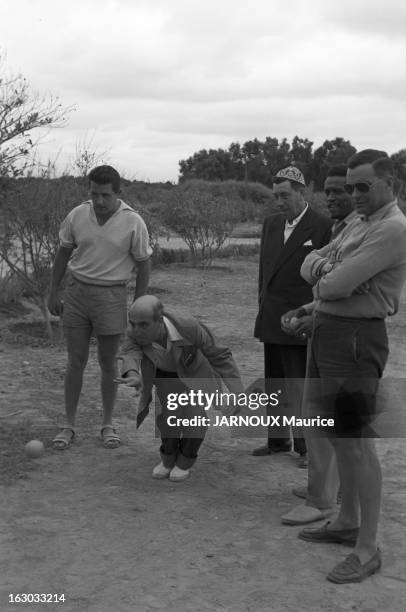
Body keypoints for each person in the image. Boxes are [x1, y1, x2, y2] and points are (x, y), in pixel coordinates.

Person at [298, 150, 406, 583]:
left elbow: (332, 281)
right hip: (330, 331)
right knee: (336, 433)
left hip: (358, 340)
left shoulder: (393, 228)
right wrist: (330, 278)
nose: (355, 195)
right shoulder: (359, 224)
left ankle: (367, 548)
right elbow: (318, 267)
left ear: (390, 186)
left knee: (357, 442)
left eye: (364, 186)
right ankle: (346, 520)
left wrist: (331, 276)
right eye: (351, 187)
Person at [47, 165, 151, 450]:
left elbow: (144, 264)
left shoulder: (133, 222)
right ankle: (68, 424)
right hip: (77, 292)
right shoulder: (78, 214)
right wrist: (53, 290)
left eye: (105, 195)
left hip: (112, 296)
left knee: (108, 362)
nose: (100, 201)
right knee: (75, 361)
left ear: (118, 192)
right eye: (94, 194)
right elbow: (63, 253)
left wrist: (139, 305)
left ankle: (107, 423)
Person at [280, 164, 357, 525]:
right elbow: (307, 267)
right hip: (325, 323)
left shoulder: (371, 230)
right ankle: (324, 489)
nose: (335, 196)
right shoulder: (344, 228)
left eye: (343, 190)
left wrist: (323, 272)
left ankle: (326, 497)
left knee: (335, 417)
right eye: (330, 190)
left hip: (348, 332)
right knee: (319, 416)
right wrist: (321, 283)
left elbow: (340, 283)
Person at [116, 295, 244, 482]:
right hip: (163, 373)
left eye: (143, 325)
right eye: (132, 324)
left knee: (194, 417)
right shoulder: (134, 332)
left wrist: (237, 392)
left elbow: (220, 356)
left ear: (159, 321)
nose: (136, 330)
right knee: (167, 417)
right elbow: (129, 352)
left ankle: (185, 461)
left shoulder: (189, 327)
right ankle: (168, 459)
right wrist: (133, 374)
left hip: (194, 373)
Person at [253, 166, 332, 465]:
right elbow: (264, 271)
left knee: (300, 386)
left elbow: (324, 275)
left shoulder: (322, 226)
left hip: (299, 319)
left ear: (302, 192)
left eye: (285, 195)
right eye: (276, 196)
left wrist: (311, 316)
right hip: (272, 315)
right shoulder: (271, 224)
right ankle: (277, 440)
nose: (279, 201)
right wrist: (262, 305)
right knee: (274, 383)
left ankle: (306, 447)